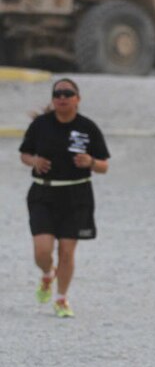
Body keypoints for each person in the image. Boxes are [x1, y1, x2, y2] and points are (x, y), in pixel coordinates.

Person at [19, 78, 110, 317]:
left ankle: (61, 299)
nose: (62, 97)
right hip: (43, 193)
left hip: (76, 194)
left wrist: (90, 162)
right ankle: (48, 274)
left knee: (67, 251)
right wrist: (34, 161)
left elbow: (104, 166)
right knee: (42, 250)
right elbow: (24, 154)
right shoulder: (40, 125)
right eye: (57, 93)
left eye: (67, 93)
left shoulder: (88, 127)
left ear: (77, 99)